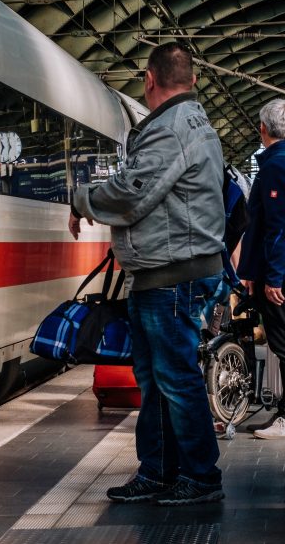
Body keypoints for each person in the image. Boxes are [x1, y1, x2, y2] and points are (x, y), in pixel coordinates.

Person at [69, 42, 226, 506]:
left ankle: (200, 476)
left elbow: (131, 194)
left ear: (149, 79)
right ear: (193, 79)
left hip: (170, 276)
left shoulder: (170, 129)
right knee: (157, 380)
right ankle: (159, 471)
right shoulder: (193, 122)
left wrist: (82, 199)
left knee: (175, 378)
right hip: (167, 273)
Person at [236, 98, 285, 440]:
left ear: (262, 130)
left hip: (280, 274)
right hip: (283, 270)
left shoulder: (276, 167)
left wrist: (274, 277)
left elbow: (278, 227)